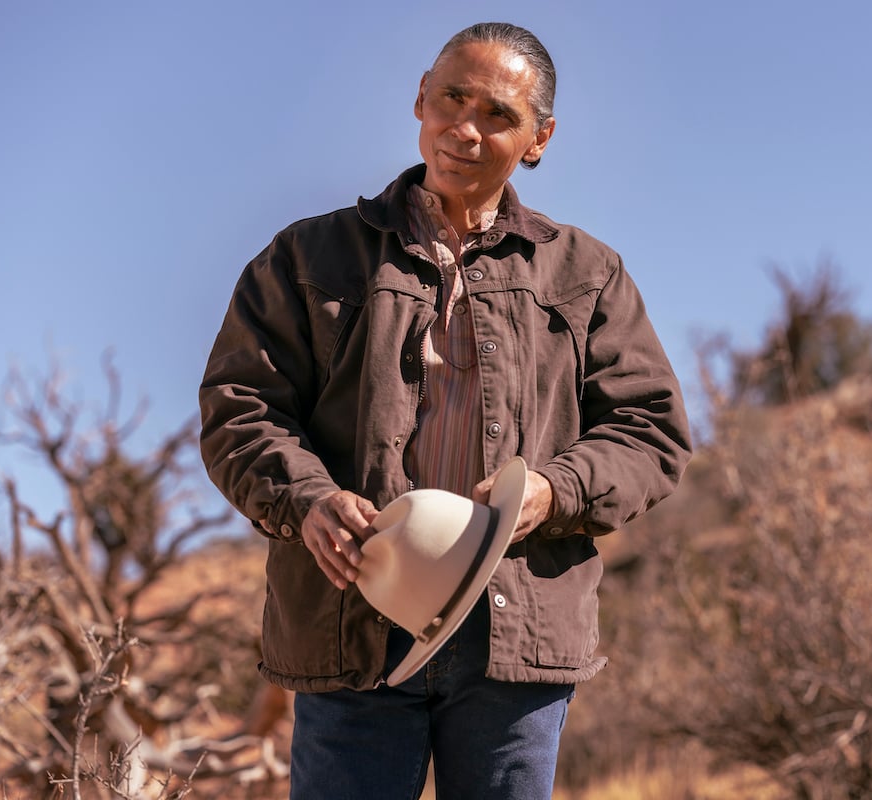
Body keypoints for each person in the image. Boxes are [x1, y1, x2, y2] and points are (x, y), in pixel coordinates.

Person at [199, 21, 692, 800]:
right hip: (349, 621)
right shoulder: (307, 257)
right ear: (420, 99)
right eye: (452, 99)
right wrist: (309, 499)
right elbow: (241, 408)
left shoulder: (588, 274)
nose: (466, 128)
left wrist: (553, 491)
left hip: (517, 635)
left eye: (498, 114)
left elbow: (650, 432)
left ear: (539, 138)